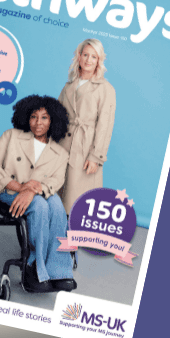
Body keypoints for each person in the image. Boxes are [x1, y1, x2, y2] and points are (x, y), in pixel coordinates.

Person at [0, 95, 76, 293]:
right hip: (9, 192)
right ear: (26, 117)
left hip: (38, 194)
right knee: (41, 205)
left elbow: (56, 181)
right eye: (34, 116)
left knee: (56, 204)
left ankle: (59, 270)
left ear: (53, 121)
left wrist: (34, 190)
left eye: (44, 118)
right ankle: (34, 266)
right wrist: (20, 187)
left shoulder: (60, 153)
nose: (38, 122)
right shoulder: (11, 136)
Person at [58, 38, 116, 215]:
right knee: (57, 193)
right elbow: (57, 115)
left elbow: (105, 125)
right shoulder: (69, 85)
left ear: (99, 61)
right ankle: (53, 234)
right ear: (79, 56)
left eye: (94, 57)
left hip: (85, 147)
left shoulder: (105, 88)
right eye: (85, 55)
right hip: (62, 144)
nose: (88, 60)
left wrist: (96, 156)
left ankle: (72, 239)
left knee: (76, 197)